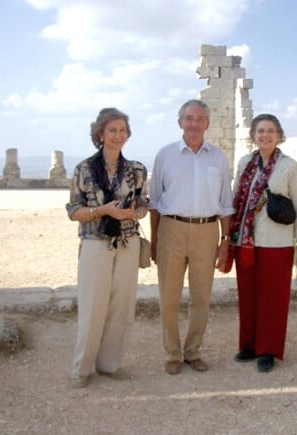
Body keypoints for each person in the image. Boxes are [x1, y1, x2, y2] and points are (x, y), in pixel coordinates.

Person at [65, 108, 149, 388]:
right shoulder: (84, 169)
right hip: (95, 244)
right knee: (92, 307)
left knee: (122, 307)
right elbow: (73, 211)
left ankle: (110, 364)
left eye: (123, 130)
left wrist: (132, 214)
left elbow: (143, 206)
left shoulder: (136, 169)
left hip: (128, 243)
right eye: (112, 130)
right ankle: (82, 369)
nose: (118, 135)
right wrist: (103, 211)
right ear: (100, 134)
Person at [149, 99, 234, 375]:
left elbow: (225, 203)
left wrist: (225, 241)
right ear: (179, 123)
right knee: (169, 297)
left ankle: (193, 351)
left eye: (199, 119)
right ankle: (172, 354)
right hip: (171, 230)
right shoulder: (165, 156)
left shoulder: (218, 158)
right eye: (188, 118)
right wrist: (155, 240)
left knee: (201, 297)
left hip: (207, 232)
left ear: (207, 124)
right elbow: (155, 203)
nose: (194, 124)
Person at [230, 113, 297, 373]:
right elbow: (235, 198)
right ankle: (250, 344)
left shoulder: (289, 166)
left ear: (279, 135)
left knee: (273, 298)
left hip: (278, 242)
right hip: (247, 240)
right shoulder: (244, 163)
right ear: (253, 135)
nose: (265, 135)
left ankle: (268, 350)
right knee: (248, 295)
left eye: (271, 131)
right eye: (261, 131)